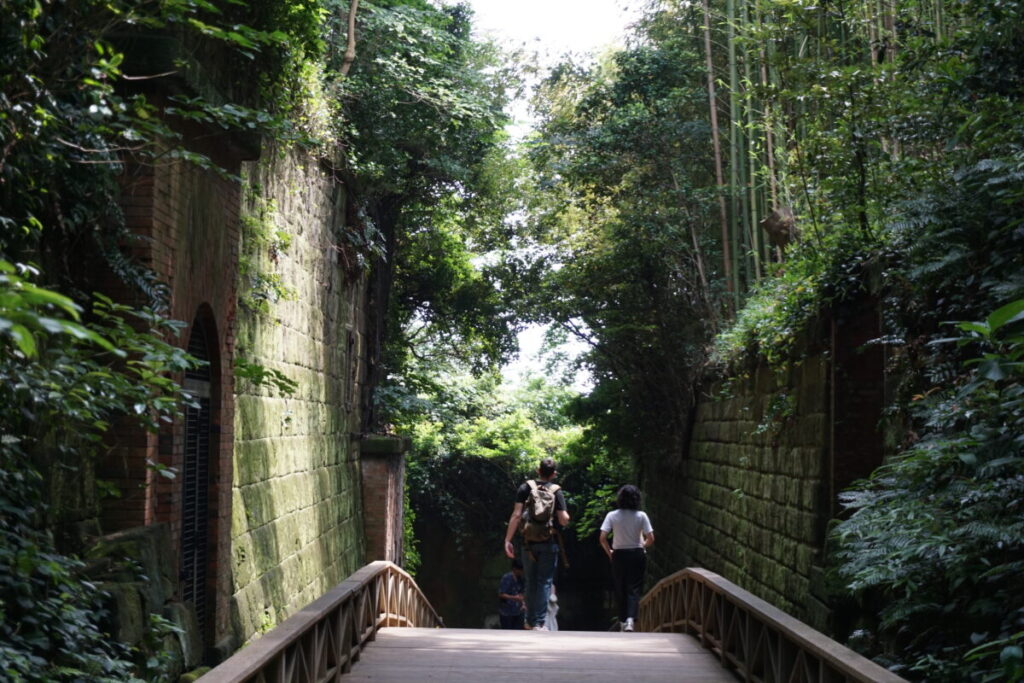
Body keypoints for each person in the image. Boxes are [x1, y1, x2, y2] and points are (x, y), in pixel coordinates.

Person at [503, 457, 570, 630]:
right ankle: (540, 623)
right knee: (544, 581)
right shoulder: (556, 491)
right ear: (554, 474)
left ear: (537, 470)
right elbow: (563, 520)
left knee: (531, 580)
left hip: (528, 542)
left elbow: (516, 515)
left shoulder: (525, 488)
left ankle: (528, 620)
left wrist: (508, 540)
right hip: (549, 541)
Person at [599, 484, 654, 632]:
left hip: (619, 555)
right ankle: (630, 620)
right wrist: (643, 545)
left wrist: (610, 553)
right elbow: (651, 538)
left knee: (620, 587)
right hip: (636, 554)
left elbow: (602, 537)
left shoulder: (612, 515)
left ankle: (623, 620)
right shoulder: (641, 516)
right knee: (633, 588)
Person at [497, 558, 526, 629]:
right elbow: (501, 594)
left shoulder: (521, 579)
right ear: (514, 569)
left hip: (518, 611)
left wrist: (523, 603)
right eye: (519, 570)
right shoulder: (506, 578)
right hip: (506, 612)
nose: (521, 572)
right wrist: (514, 598)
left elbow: (521, 593)